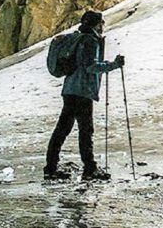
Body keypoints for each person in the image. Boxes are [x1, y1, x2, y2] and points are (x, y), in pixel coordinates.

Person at [44, 10, 124, 181]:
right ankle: (90, 169)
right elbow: (90, 66)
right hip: (82, 91)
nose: (103, 26)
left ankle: (51, 168)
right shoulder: (90, 41)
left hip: (70, 90)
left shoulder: (77, 38)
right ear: (97, 24)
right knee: (85, 130)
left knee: (62, 129)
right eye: (102, 23)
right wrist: (114, 65)